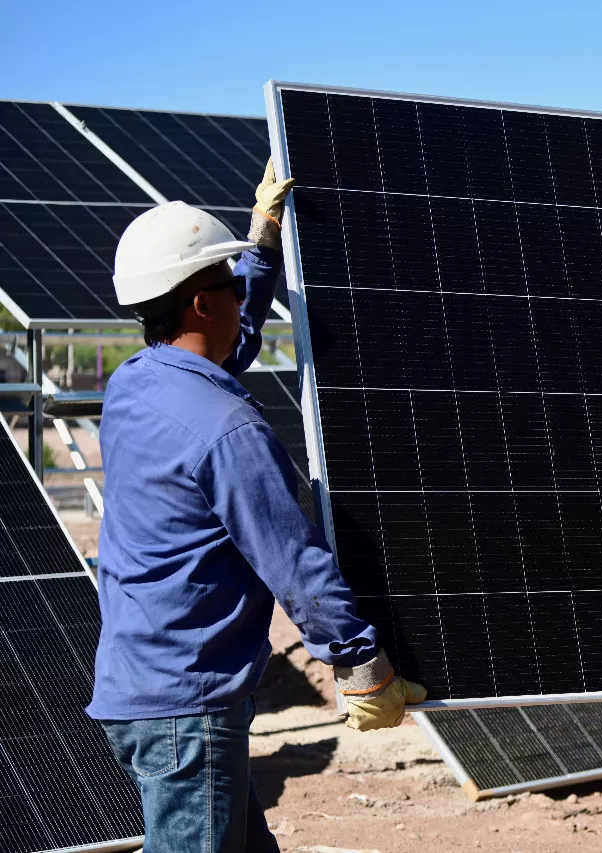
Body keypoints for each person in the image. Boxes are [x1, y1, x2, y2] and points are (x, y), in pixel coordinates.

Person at [87, 161, 427, 852]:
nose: (242, 298)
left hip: (144, 684)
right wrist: (362, 668)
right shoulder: (228, 430)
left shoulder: (132, 386)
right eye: (230, 286)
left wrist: (262, 239)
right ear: (200, 304)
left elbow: (224, 346)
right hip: (190, 707)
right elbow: (294, 562)